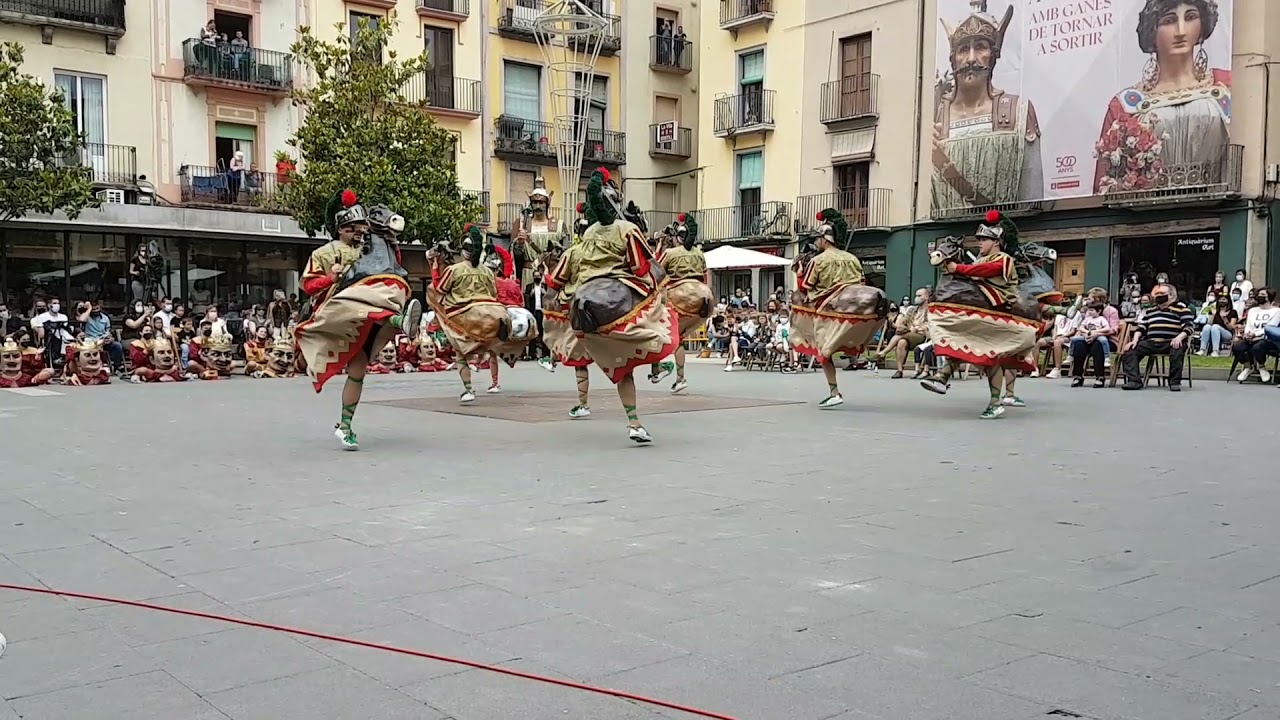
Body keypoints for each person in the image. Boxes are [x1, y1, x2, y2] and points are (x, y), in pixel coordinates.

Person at [545, 167, 678, 443]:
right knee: (658, 309)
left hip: (581, 303)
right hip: (618, 295)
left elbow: (554, 282)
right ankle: (651, 381)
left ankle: (556, 364)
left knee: (579, 354)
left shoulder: (582, 242)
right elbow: (640, 267)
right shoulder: (627, 230)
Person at [295, 190, 421, 450]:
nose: (359, 231)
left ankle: (345, 426)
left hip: (366, 315)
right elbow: (307, 286)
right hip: (339, 311)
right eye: (353, 228)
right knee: (372, 309)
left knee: (357, 373)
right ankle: (399, 322)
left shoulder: (371, 248)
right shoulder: (324, 253)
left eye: (361, 227)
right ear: (341, 229)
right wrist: (331, 277)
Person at [1094, 0, 1230, 194]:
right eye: (1169, 20)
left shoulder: (1228, 85)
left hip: (1222, 213)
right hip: (1148, 219)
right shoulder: (1126, 104)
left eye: (1190, 17)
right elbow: (1105, 187)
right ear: (1152, 31)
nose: (1181, 30)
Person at [921, 212, 1039, 418]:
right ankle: (942, 377)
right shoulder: (981, 258)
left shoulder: (1004, 259)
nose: (980, 243)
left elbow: (987, 270)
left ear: (996, 242)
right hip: (984, 311)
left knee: (989, 356)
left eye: (984, 239)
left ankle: (995, 402)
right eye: (980, 239)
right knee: (963, 341)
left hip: (1002, 311)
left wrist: (958, 268)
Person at [932, 0, 1042, 210]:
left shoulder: (1018, 111)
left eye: (980, 47)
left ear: (994, 54)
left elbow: (1031, 197)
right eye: (963, 49)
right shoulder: (935, 118)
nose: (971, 59)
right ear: (953, 58)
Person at [790, 209, 887, 409]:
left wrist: (800, 272)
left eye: (818, 239)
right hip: (852, 306)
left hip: (828, 310)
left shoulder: (818, 260)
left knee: (823, 354)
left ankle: (834, 391)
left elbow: (805, 287)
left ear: (825, 239)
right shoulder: (852, 258)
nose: (816, 243)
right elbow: (861, 282)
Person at [429, 226, 516, 403]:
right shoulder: (487, 271)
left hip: (464, 314)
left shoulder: (454, 270)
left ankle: (468, 389)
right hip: (491, 311)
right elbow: (494, 293)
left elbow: (440, 289)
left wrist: (434, 267)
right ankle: (493, 376)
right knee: (491, 348)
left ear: (463, 252)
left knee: (460, 353)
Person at [648, 212, 711, 393]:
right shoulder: (700, 253)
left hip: (679, 294)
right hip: (703, 294)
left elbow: (656, 272)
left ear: (677, 238)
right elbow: (704, 275)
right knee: (680, 336)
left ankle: (664, 371)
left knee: (655, 326)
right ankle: (678, 376)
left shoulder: (670, 252)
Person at [1120, 282, 1194, 391]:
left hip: (1171, 341)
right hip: (1151, 342)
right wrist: (1134, 341)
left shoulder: (1182, 310)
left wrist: (1179, 337)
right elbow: (1141, 327)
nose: (1159, 296)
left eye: (1162, 293)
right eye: (1157, 293)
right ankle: (1134, 381)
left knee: (1177, 349)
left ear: (1172, 295)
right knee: (1130, 351)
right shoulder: (1150, 311)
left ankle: (1174, 382)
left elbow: (1189, 327)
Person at [1231, 287, 1280, 383]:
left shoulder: (1277, 311)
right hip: (1251, 337)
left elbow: (1271, 328)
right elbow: (1249, 325)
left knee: (1258, 347)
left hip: (1267, 339)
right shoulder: (1252, 310)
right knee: (1237, 346)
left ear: (1269, 297)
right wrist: (1247, 334)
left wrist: (1255, 334)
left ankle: (1261, 366)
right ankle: (1248, 366)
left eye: (1263, 295)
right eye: (1259, 295)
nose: (1259, 297)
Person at [880, 287, 931, 379]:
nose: (916, 298)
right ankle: (899, 371)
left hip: (923, 335)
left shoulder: (930, 310)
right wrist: (907, 328)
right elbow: (904, 324)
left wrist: (916, 328)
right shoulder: (912, 310)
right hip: (909, 334)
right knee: (901, 342)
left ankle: (885, 351)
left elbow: (928, 326)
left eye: (919, 296)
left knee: (901, 335)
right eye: (916, 296)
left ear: (927, 297)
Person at [1068, 304, 1111, 388]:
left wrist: (1095, 334)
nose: (1090, 312)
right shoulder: (1087, 319)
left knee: (1098, 346)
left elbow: (1110, 329)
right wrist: (1086, 334)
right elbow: (1081, 328)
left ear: (1099, 311)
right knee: (1078, 344)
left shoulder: (1103, 318)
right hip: (1086, 337)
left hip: (1099, 338)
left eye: (1092, 310)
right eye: (1089, 310)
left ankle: (1100, 377)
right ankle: (1078, 376)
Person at [76, 300, 124, 374]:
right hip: (90, 342)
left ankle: (117, 367)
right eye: (93, 309)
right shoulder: (87, 316)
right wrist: (89, 309)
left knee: (117, 346)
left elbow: (108, 330)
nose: (95, 311)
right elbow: (82, 319)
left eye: (97, 309)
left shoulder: (105, 318)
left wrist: (108, 337)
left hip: (103, 340)